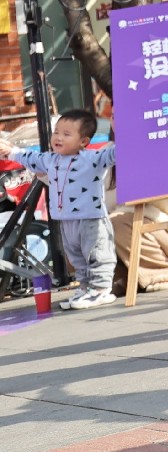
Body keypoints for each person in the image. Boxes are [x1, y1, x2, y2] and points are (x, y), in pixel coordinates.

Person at [0, 112, 116, 309]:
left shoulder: (93, 158)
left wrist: (122, 130)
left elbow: (114, 153)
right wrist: (11, 151)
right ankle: (86, 288)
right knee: (77, 256)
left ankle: (101, 289)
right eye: (56, 132)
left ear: (83, 141)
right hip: (66, 220)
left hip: (91, 218)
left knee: (97, 253)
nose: (58, 137)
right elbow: (30, 157)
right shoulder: (51, 159)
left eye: (66, 134)